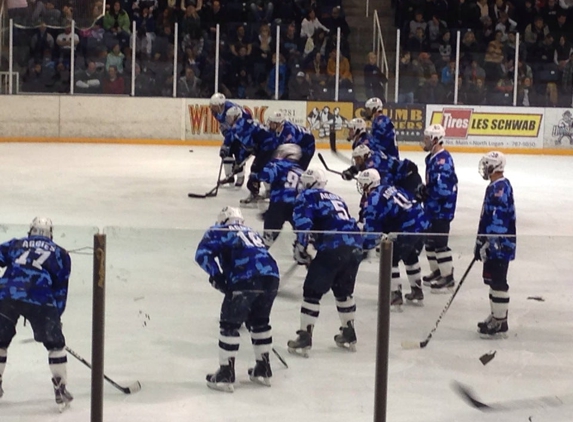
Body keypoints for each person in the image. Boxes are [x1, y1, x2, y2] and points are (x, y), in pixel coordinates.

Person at [195, 206, 280, 392]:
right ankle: (263, 368)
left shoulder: (219, 230)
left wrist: (216, 276)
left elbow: (202, 254)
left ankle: (226, 373)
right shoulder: (252, 232)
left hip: (245, 278)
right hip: (272, 276)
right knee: (260, 322)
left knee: (229, 324)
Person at [288, 169, 363, 356]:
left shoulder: (307, 196)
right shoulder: (336, 198)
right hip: (354, 246)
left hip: (332, 247)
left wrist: (301, 246)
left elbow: (304, 223)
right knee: (343, 291)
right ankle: (349, 332)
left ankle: (305, 337)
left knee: (312, 292)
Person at [0, 217, 72, 408]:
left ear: (30, 230)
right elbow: (60, 289)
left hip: (7, 295)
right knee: (56, 345)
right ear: (51, 233)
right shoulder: (60, 253)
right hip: (40, 298)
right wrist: (56, 318)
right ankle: (60, 387)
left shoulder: (17, 243)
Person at [356, 169, 430, 310]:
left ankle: (395, 295)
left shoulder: (374, 199)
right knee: (410, 256)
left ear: (368, 184)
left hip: (406, 229)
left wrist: (364, 246)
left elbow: (373, 228)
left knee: (390, 258)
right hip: (422, 224)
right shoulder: (389, 187)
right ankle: (417, 291)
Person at [475, 152, 516, 338]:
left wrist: (490, 243)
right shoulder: (494, 186)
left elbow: (497, 220)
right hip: (493, 244)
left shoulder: (500, 188)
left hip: (500, 245)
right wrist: (480, 241)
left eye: (487, 165)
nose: (484, 169)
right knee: (492, 280)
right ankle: (495, 316)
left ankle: (501, 322)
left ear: (494, 167)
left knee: (499, 281)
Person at [420, 124, 459, 293]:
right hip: (432, 208)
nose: (425, 142)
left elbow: (443, 190)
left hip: (442, 210)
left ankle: (447, 276)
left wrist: (426, 193)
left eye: (428, 139)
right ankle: (437, 271)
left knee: (441, 243)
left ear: (436, 140)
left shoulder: (443, 161)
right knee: (429, 242)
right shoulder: (432, 158)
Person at [249, 144, 304, 248]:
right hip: (297, 206)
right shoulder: (300, 171)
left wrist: (254, 176)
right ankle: (303, 248)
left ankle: (261, 255)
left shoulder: (278, 164)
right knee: (302, 233)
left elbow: (266, 176)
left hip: (278, 205)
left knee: (266, 241)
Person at [224, 107, 280, 204]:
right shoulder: (243, 124)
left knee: (255, 169)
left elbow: (248, 147)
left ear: (236, 117)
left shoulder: (239, 127)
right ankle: (270, 191)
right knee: (263, 168)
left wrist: (239, 163)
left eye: (230, 117)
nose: (228, 120)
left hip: (268, 146)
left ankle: (255, 194)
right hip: (269, 144)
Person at [342, 144, 423, 201]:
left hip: (409, 179)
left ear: (365, 156)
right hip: (407, 174)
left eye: (358, 159)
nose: (356, 162)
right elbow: (362, 165)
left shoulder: (374, 167)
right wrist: (352, 170)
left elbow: (385, 186)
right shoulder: (372, 154)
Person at [210, 93, 252, 186]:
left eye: (214, 106)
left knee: (239, 152)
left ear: (220, 105)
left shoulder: (231, 110)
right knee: (227, 152)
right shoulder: (215, 112)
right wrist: (225, 132)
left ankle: (240, 176)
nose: (212, 108)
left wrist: (226, 142)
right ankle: (229, 176)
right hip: (233, 131)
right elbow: (224, 124)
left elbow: (237, 128)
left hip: (244, 131)